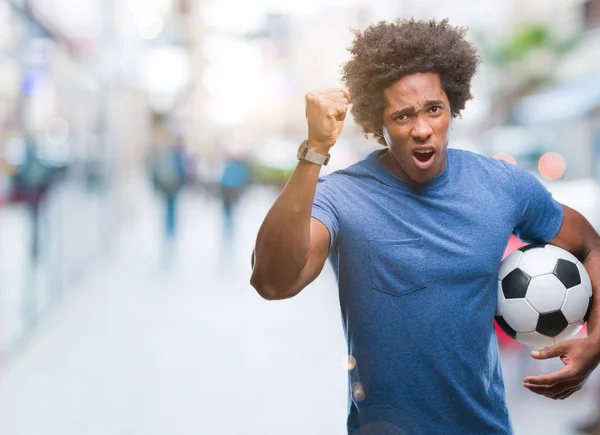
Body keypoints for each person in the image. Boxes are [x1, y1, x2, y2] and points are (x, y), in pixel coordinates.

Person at [250, 19, 600, 435]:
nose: (422, 130)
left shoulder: (502, 184)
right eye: (402, 115)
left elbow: (591, 247)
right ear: (376, 123)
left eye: (434, 110)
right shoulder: (341, 196)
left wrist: (596, 340)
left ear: (453, 106)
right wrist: (314, 152)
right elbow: (273, 282)